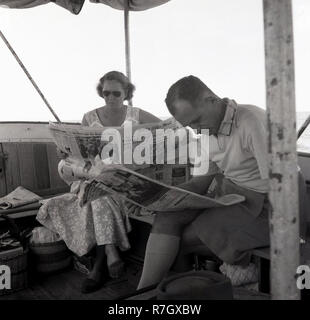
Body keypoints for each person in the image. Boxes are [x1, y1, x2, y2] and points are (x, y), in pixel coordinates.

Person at [137, 75, 273, 289]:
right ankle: (144, 293)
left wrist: (294, 233)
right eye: (190, 126)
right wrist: (162, 197)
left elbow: (284, 185)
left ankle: (158, 294)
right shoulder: (205, 132)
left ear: (211, 99)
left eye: (197, 120)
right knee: (165, 218)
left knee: (178, 241)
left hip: (268, 207)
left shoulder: (251, 121)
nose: (196, 130)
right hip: (231, 198)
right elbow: (199, 183)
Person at [37, 71, 161, 293]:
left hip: (123, 178)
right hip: (95, 175)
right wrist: (64, 150)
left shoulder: (137, 114)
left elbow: (165, 131)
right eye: (106, 93)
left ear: (126, 93)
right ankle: (110, 254)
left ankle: (100, 266)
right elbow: (79, 153)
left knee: (98, 197)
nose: (110, 98)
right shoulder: (89, 117)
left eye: (116, 93)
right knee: (96, 192)